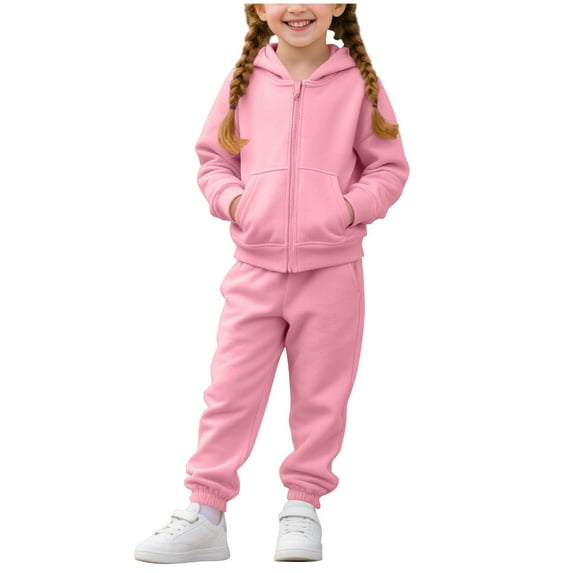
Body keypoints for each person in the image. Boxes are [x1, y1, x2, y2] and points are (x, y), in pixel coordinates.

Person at [134, 3, 409, 563]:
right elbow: (213, 160)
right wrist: (238, 203)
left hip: (331, 273)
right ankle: (206, 513)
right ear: (259, 7)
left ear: (340, 5)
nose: (297, 6)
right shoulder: (245, 80)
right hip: (254, 270)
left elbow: (389, 167)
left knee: (321, 397)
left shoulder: (360, 82)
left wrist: (346, 210)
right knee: (229, 393)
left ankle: (302, 506)